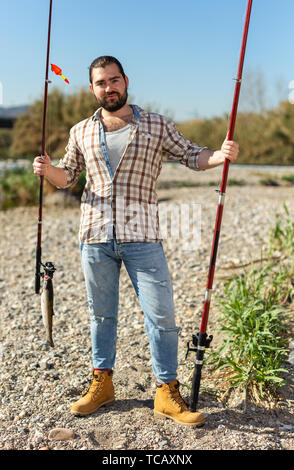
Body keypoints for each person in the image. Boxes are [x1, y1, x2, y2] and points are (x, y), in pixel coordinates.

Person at [33, 55, 239, 427]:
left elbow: (192, 155)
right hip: (94, 236)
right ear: (92, 88)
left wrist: (220, 155)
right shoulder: (80, 131)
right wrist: (49, 172)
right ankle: (102, 382)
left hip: (143, 235)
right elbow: (69, 177)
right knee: (101, 315)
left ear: (125, 81)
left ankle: (165, 390)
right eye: (101, 82)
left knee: (162, 315)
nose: (109, 88)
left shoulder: (157, 125)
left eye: (114, 80)